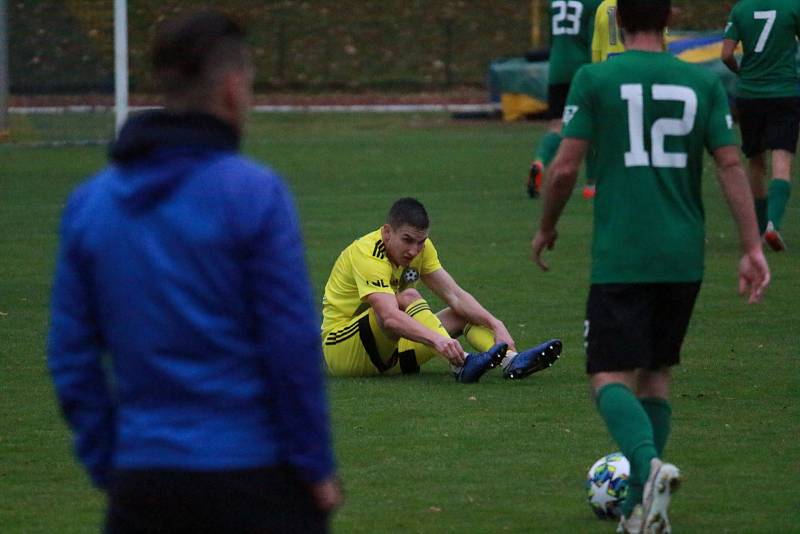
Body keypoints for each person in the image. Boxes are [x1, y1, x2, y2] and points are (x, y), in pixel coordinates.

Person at [47, 10, 342, 533]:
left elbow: (71, 358)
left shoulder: (89, 205)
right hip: (255, 476)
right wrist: (315, 465)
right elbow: (291, 345)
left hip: (144, 481)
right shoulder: (254, 194)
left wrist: (111, 463)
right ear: (232, 88)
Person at [531, 0, 770, 532]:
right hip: (683, 254)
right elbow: (730, 162)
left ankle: (648, 469)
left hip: (623, 254)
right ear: (670, 19)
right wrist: (750, 246)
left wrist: (547, 225)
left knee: (606, 374)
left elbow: (566, 166)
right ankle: (643, 511)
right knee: (655, 375)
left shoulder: (595, 78)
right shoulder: (703, 84)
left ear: (617, 20)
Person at [322, 197, 562, 382]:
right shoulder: (367, 253)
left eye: (421, 242)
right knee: (405, 298)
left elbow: (455, 295)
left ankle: (511, 362)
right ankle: (461, 363)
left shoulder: (421, 249)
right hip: (343, 351)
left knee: (463, 312)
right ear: (387, 232)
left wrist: (495, 323)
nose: (414, 250)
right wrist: (438, 341)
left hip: (393, 357)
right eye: (407, 240)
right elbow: (389, 317)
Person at [721, 0, 800, 251]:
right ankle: (772, 225)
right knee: (782, 160)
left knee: (755, 161)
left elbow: (725, 55)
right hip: (784, 91)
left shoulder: (741, 9)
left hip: (750, 94)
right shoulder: (792, 7)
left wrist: (741, 72)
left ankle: (758, 229)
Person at [527, 0, 602, 199]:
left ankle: (540, 161)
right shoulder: (595, 3)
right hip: (582, 69)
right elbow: (594, 39)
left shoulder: (554, 2)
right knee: (593, 125)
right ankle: (592, 185)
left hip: (557, 69)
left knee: (556, 125)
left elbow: (553, 39)